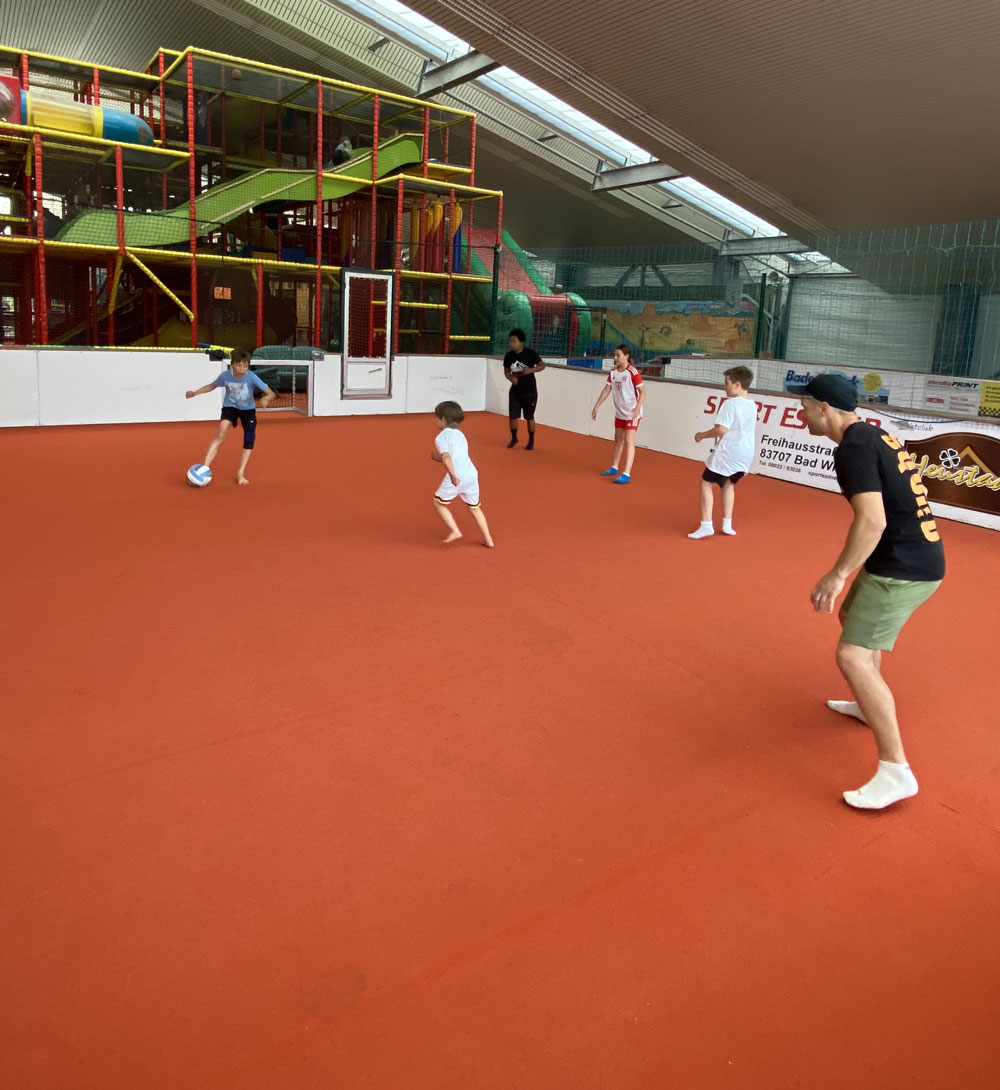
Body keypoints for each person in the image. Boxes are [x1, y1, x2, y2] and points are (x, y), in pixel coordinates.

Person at [793, 374, 945, 810]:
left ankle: (896, 771)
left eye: (805, 407)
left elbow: (873, 520)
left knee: (851, 655)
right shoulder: (872, 436)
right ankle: (867, 702)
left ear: (824, 408)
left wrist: (838, 574)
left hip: (905, 566)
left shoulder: (854, 447)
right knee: (851, 622)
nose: (801, 414)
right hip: (902, 556)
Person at [185, 349, 276, 485]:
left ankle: (241, 472)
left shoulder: (251, 377)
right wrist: (195, 393)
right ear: (232, 364)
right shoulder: (225, 376)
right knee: (221, 433)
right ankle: (205, 466)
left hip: (248, 410)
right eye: (239, 365)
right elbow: (212, 386)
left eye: (245, 365)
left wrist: (266, 399)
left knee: (249, 438)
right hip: (230, 408)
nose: (242, 369)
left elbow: (271, 393)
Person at [688, 365, 757, 538]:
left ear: (737, 384)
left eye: (727, 383)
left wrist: (702, 435)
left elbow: (721, 430)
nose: (724, 386)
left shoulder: (730, 404)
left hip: (728, 452)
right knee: (728, 483)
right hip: (745, 453)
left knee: (706, 483)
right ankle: (727, 523)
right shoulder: (752, 404)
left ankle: (706, 524)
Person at [431, 400, 494, 547]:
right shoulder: (460, 435)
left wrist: (452, 475)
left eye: (436, 418)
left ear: (443, 419)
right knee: (475, 507)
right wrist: (439, 458)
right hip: (471, 473)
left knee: (438, 502)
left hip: (457, 474)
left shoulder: (441, 438)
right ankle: (488, 538)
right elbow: (454, 455)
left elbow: (447, 457)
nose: (435, 421)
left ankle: (455, 530)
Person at [591, 344, 646, 483]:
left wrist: (637, 408)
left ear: (626, 356)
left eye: (618, 355)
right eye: (614, 355)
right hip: (620, 411)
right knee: (618, 439)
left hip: (632, 412)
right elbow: (606, 390)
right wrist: (596, 406)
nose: (615, 358)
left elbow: (643, 392)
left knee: (629, 440)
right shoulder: (613, 372)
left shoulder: (633, 372)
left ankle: (626, 473)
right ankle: (614, 466)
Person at [502, 328, 545, 449]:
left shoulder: (530, 354)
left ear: (521, 342)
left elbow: (542, 365)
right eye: (511, 341)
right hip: (515, 391)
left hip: (529, 391)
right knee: (512, 416)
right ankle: (514, 437)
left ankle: (531, 440)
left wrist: (530, 370)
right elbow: (506, 371)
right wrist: (511, 378)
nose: (512, 344)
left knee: (529, 417)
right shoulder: (509, 356)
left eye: (514, 341)